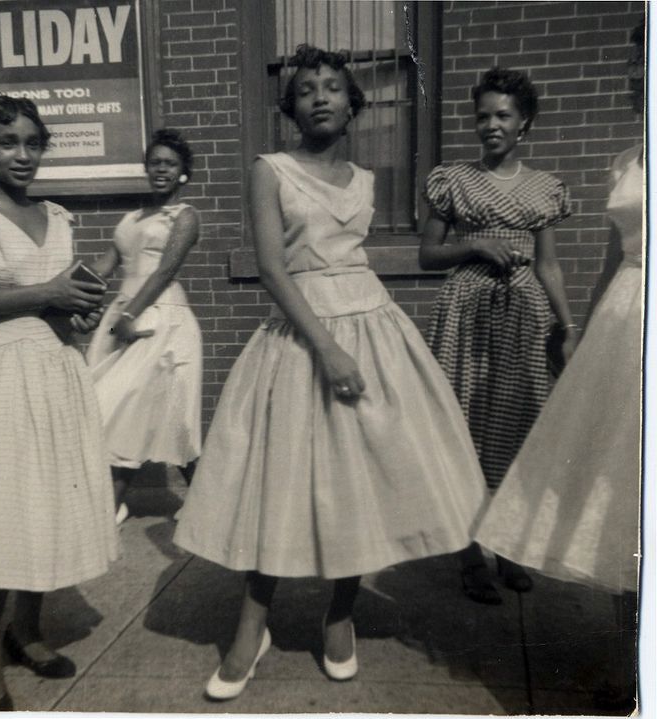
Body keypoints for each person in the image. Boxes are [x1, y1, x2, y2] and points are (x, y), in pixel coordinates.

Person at [173, 44, 488, 701]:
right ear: (290, 105)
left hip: (373, 325)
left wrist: (357, 342)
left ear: (352, 105)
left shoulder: (366, 180)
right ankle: (250, 625)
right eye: (307, 88)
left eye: (333, 87)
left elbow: (354, 260)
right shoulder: (270, 170)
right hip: (302, 337)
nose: (320, 96)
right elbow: (273, 269)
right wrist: (327, 348)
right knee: (279, 482)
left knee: (361, 480)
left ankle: (339, 612)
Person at [0, 96, 118, 711]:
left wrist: (78, 307)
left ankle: (26, 632)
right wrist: (49, 290)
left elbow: (58, 298)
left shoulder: (57, 216)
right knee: (2, 517)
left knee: (49, 510)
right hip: (2, 372)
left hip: (58, 368)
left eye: (34, 143)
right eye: (9, 143)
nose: (24, 155)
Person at [475, 21, 644, 710]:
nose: (635, 76)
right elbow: (611, 256)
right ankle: (634, 667)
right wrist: (581, 332)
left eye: (646, 61)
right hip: (623, 327)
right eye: (635, 61)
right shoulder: (629, 158)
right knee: (621, 503)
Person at [420, 67, 576, 604]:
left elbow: (549, 266)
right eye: (482, 115)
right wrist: (474, 247)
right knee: (462, 428)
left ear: (523, 122)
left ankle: (507, 548)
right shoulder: (453, 180)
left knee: (519, 429)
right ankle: (468, 556)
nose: (491, 125)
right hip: (466, 312)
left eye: (502, 115)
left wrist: (568, 325)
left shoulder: (544, 189)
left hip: (526, 315)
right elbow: (427, 253)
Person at [86, 129, 202, 523]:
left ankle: (203, 501)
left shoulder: (184, 217)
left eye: (170, 164)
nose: (161, 170)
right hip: (123, 319)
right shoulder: (132, 219)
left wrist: (131, 314)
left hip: (162, 319)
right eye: (155, 163)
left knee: (165, 415)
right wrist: (65, 290)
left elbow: (164, 271)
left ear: (183, 172)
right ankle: (115, 501)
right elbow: (104, 267)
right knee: (117, 408)